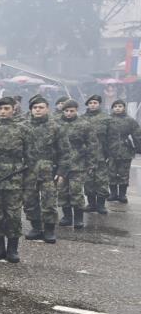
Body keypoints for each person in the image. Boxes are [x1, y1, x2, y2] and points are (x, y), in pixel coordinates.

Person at [0, 95, 31, 263]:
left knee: (13, 215)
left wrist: (27, 181)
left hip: (14, 178)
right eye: (0, 109)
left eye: (6, 109)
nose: (3, 112)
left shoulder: (22, 129)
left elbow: (30, 157)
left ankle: (12, 248)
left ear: (13, 110)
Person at [24, 95, 70, 244]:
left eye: (41, 107)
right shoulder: (23, 127)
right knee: (30, 201)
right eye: (35, 107)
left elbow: (65, 152)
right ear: (31, 109)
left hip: (49, 171)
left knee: (49, 201)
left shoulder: (56, 127)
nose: (37, 110)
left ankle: (49, 230)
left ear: (47, 109)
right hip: (28, 170)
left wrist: (62, 172)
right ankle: (36, 227)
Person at [57, 98, 101, 230]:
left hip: (79, 164)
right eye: (66, 111)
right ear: (62, 111)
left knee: (76, 192)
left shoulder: (84, 124)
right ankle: (67, 217)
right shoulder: (57, 124)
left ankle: (78, 218)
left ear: (77, 111)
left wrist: (92, 164)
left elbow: (93, 145)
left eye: (72, 111)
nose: (69, 113)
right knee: (62, 191)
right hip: (61, 165)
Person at [105, 99, 140, 204]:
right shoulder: (108, 120)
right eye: (115, 106)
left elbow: (137, 135)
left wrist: (139, 148)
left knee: (124, 173)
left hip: (125, 150)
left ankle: (122, 194)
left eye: (120, 106)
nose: (117, 108)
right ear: (112, 108)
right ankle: (113, 193)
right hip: (110, 150)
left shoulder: (130, 120)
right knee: (111, 173)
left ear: (124, 108)